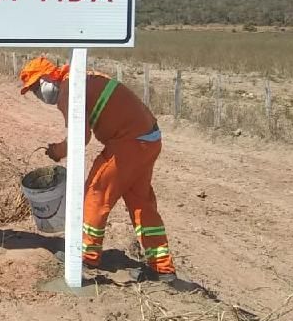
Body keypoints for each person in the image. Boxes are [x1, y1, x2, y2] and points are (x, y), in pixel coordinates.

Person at [19, 56, 177, 283]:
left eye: (36, 87)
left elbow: (80, 137)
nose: (38, 95)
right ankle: (163, 268)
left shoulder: (68, 90)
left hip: (129, 142)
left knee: (95, 193)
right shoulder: (84, 76)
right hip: (149, 138)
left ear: (48, 77)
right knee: (141, 204)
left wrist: (57, 151)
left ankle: (86, 254)